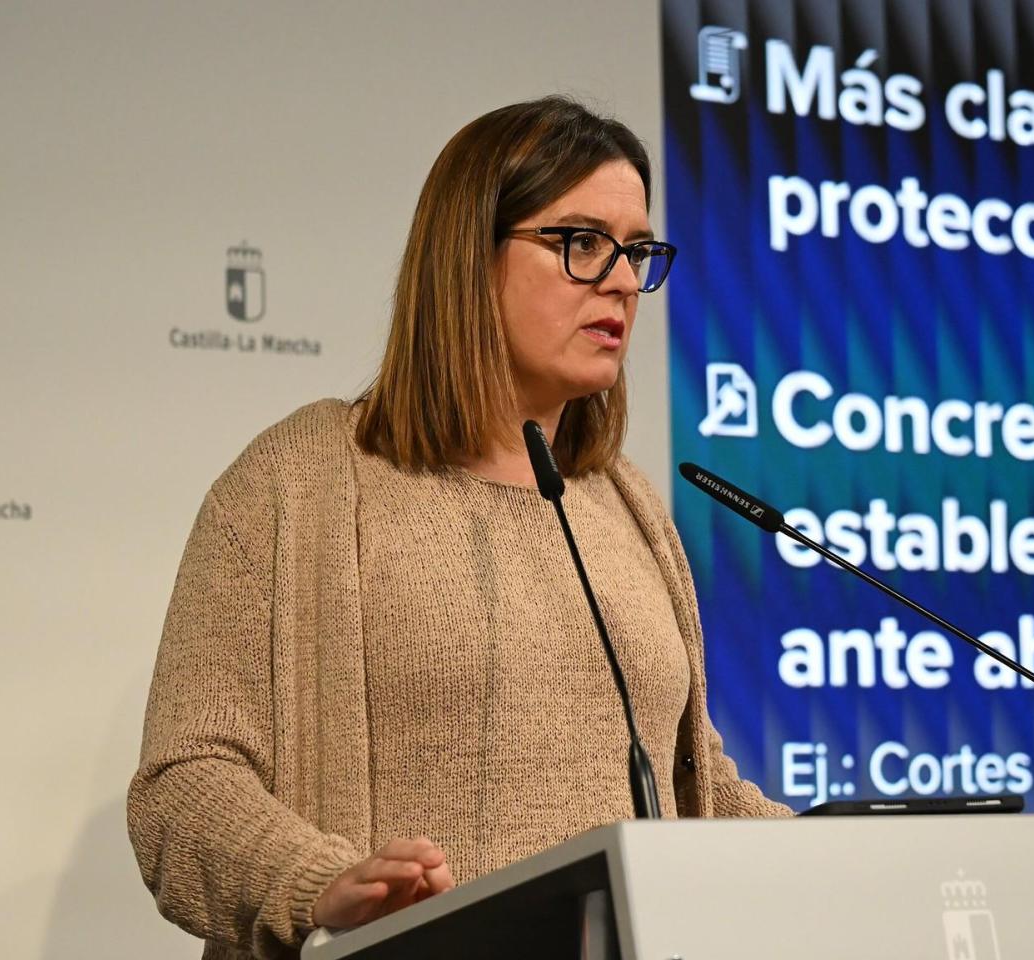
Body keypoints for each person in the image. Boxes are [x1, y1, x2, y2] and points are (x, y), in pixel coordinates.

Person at [127, 96, 790, 960]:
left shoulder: (626, 505)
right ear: (468, 255)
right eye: (582, 243)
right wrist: (314, 884)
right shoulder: (299, 483)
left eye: (636, 252)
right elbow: (183, 787)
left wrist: (847, 857)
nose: (624, 281)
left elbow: (692, 783)